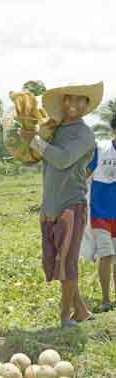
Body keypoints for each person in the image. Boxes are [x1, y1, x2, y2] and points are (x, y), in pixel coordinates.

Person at [20, 81, 104, 327]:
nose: (74, 104)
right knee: (57, 261)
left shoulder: (84, 133)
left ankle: (65, 316)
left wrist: (35, 141)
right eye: (70, 99)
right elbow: (32, 159)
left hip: (71, 204)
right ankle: (81, 311)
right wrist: (29, 136)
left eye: (81, 100)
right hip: (49, 206)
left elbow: (63, 159)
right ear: (63, 102)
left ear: (87, 105)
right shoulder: (53, 129)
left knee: (67, 264)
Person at [81, 113, 116, 311]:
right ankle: (105, 300)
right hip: (100, 213)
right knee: (107, 255)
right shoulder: (102, 149)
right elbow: (85, 174)